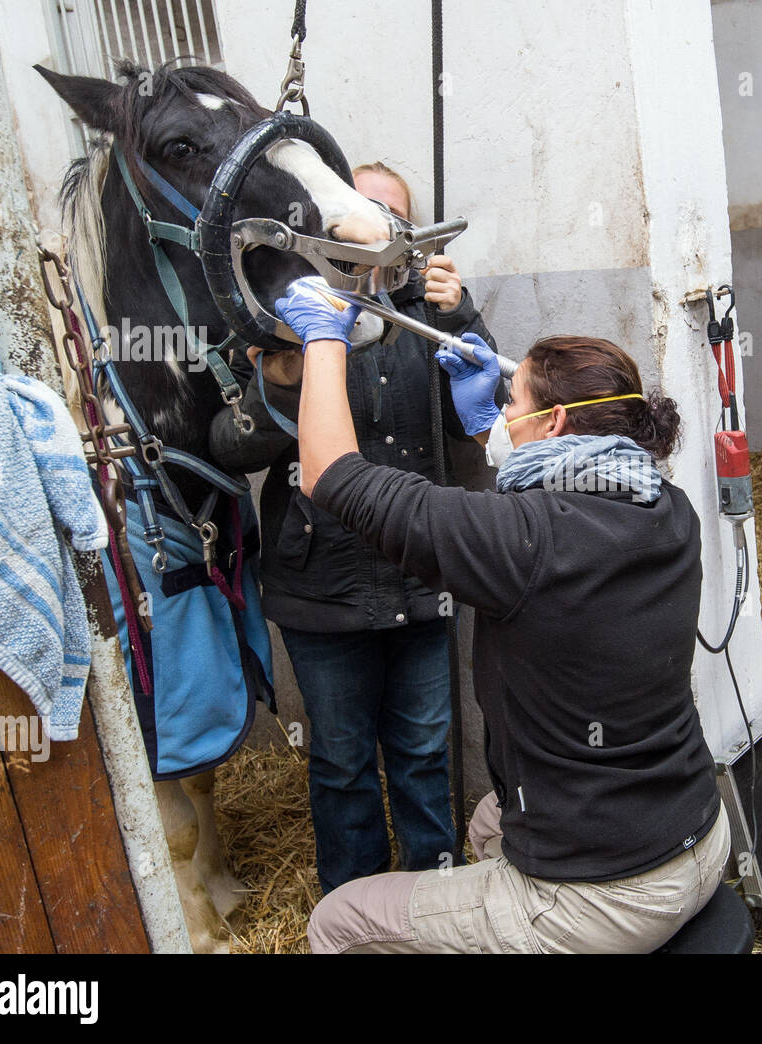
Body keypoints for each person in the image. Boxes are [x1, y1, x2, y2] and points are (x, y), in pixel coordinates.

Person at [273, 278, 730, 953]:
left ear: (553, 425)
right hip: (698, 836)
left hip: (603, 898)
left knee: (339, 921)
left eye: (510, 402)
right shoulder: (669, 508)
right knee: (489, 825)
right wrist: (493, 428)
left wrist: (321, 342)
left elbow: (329, 474)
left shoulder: (521, 540)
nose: (501, 413)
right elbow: (562, 495)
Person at [208, 162, 495, 894]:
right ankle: (354, 911)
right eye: (356, 211)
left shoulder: (431, 312)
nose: (372, 226)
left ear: (409, 233)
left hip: (419, 575)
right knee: (339, 763)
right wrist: (280, 378)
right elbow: (234, 446)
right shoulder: (287, 313)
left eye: (390, 215)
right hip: (321, 588)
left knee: (428, 753)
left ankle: (435, 901)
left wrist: (461, 319)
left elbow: (481, 432)